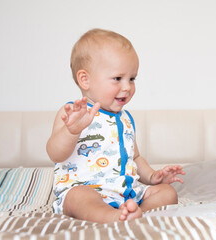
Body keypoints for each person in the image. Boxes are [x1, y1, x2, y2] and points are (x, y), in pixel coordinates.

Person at [46, 28, 185, 223]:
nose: (127, 87)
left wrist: (153, 177)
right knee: (77, 197)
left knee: (168, 193)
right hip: (88, 191)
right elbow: (55, 154)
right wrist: (71, 131)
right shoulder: (72, 113)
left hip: (126, 192)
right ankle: (112, 216)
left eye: (132, 78)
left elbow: (135, 157)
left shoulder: (125, 118)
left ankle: (133, 213)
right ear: (85, 79)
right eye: (118, 78)